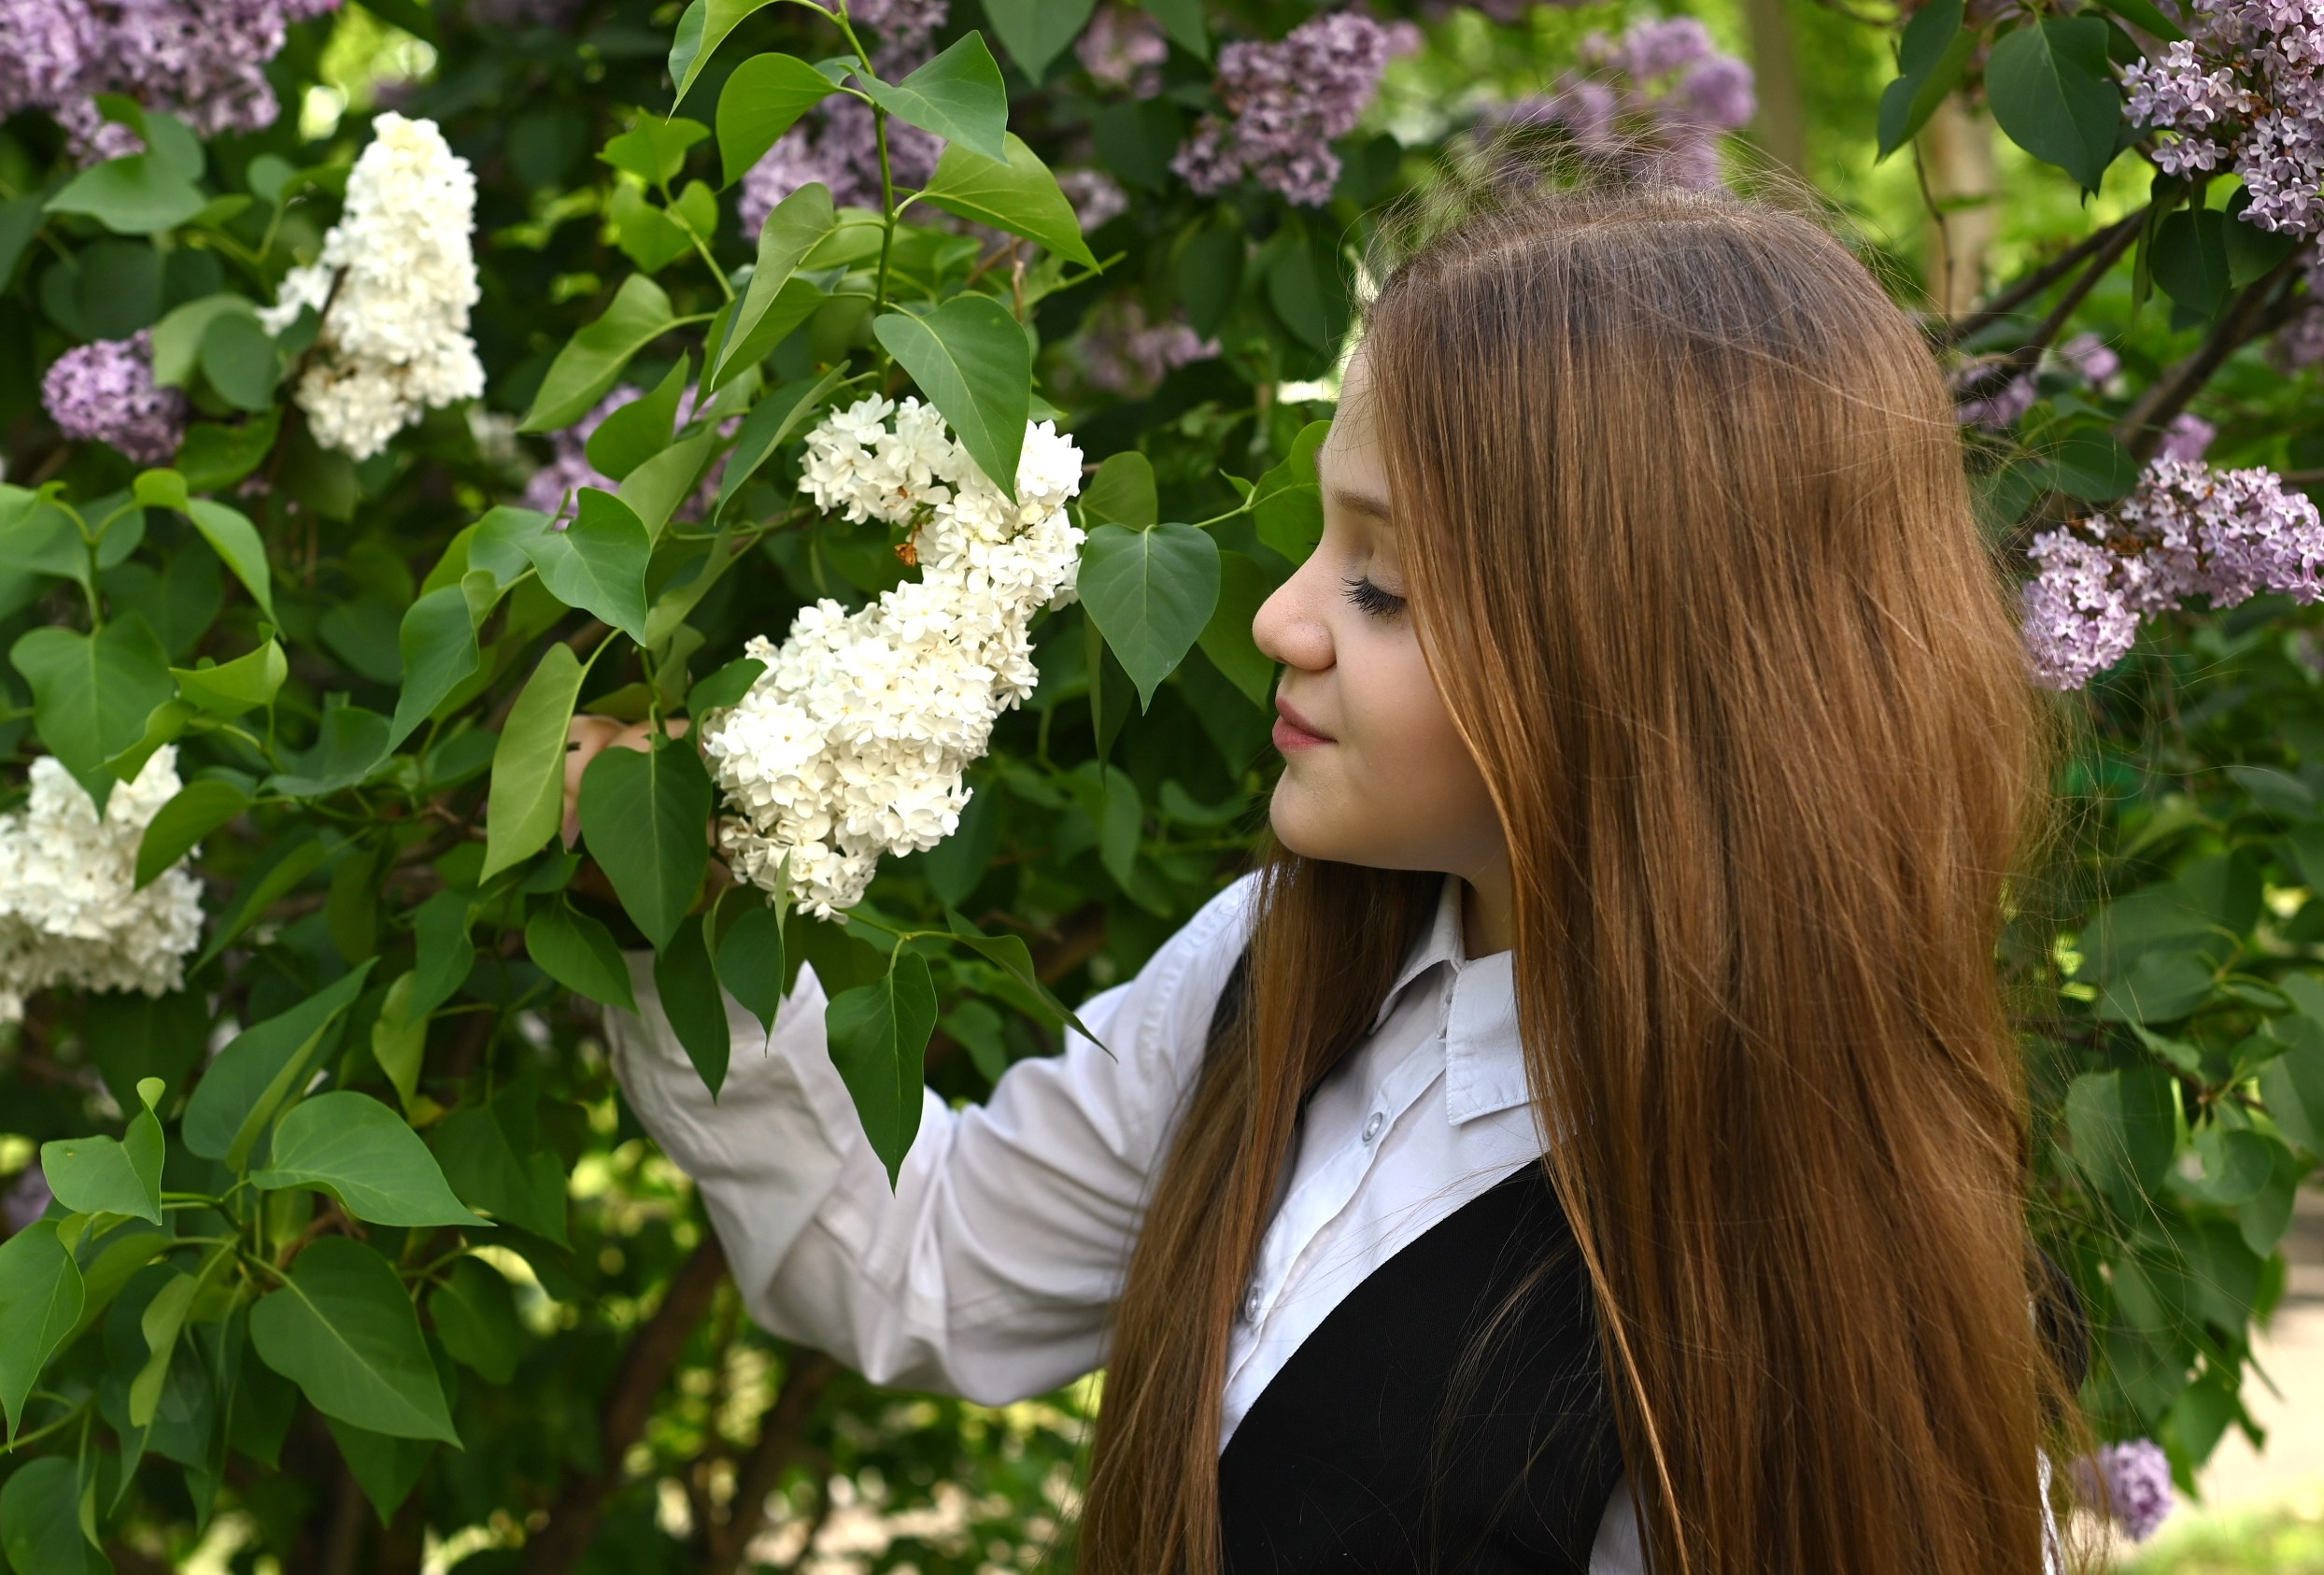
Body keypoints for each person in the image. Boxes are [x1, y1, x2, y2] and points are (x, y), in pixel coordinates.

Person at [588, 155, 2089, 1573]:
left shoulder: (1792, 1269)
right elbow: (918, 1260)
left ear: (1637, 664)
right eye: (1324, 543)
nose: (1279, 621)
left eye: (1380, 584)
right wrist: (672, 895)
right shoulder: (1274, 965)